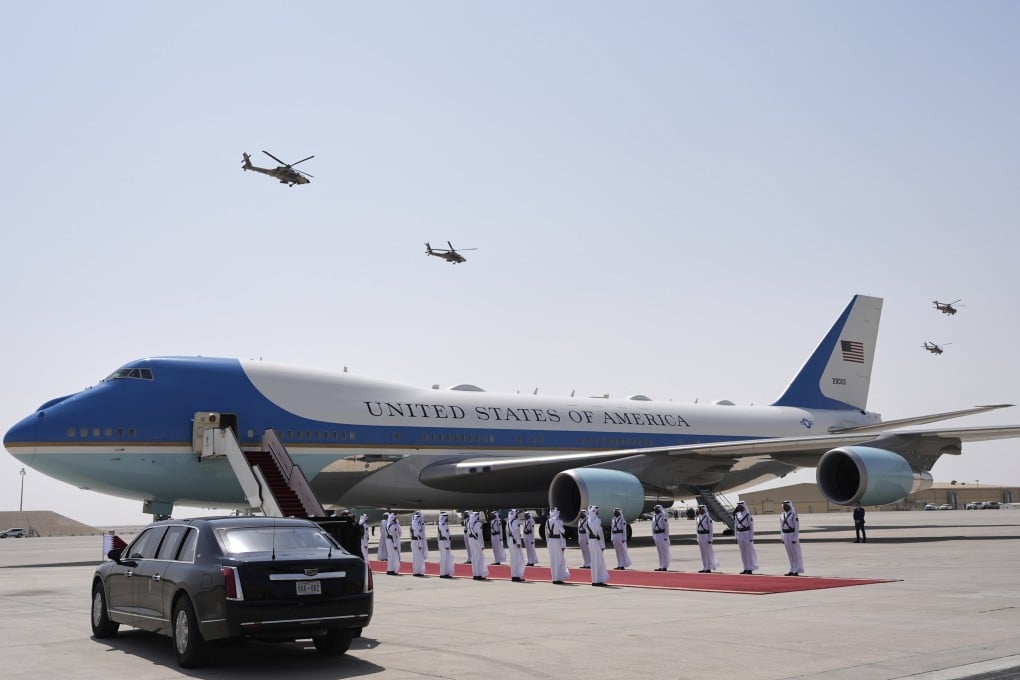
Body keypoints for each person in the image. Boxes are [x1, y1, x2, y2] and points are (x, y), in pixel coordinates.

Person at [586, 505, 610, 586]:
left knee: (593, 561)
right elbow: (600, 534)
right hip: (596, 542)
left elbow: (587, 534)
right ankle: (598, 580)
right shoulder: (597, 520)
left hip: (590, 542)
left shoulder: (587, 521)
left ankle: (594, 580)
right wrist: (603, 545)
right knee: (599, 561)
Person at [733, 501, 759, 574]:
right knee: (743, 552)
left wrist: (751, 537)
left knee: (748, 552)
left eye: (739, 506)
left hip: (746, 534)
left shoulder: (748, 515)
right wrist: (736, 536)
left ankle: (750, 568)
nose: (738, 507)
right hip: (740, 534)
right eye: (738, 506)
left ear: (743, 506)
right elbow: (735, 526)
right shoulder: (737, 515)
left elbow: (751, 527)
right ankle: (745, 568)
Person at [780, 500, 804, 575]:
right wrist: (782, 537)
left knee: (795, 553)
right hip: (785, 535)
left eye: (786, 506)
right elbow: (781, 527)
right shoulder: (782, 515)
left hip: (792, 534)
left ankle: (796, 570)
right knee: (789, 553)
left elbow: (796, 527)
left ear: (790, 506)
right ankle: (792, 569)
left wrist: (795, 537)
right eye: (784, 506)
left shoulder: (794, 514)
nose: (784, 507)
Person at [546, 507, 570, 583]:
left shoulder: (548, 522)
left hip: (550, 541)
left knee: (553, 560)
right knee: (559, 560)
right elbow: (562, 532)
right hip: (557, 542)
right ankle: (557, 578)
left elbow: (546, 534)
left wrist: (548, 543)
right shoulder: (559, 522)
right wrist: (563, 545)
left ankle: (554, 577)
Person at [695, 505, 719, 573]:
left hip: (706, 536)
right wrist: (697, 537)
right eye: (699, 509)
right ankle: (705, 566)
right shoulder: (698, 518)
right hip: (700, 536)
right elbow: (696, 528)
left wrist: (710, 539)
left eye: (700, 509)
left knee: (707, 552)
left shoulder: (708, 518)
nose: (699, 510)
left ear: (704, 509)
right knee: (702, 553)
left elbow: (711, 529)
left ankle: (709, 567)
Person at [466, 511, 489, 580]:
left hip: (471, 541)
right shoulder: (478, 523)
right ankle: (479, 574)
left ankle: (475, 574)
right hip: (476, 541)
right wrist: (482, 545)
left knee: (474, 558)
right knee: (479, 558)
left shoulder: (469, 523)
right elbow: (480, 535)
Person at [506, 508, 527, 582]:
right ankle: (516, 576)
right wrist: (518, 542)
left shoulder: (508, 522)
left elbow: (507, 533)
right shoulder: (515, 522)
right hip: (515, 542)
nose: (518, 514)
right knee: (517, 559)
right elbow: (517, 533)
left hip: (510, 541)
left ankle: (514, 575)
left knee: (513, 559)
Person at [651, 504, 671, 571]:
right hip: (657, 535)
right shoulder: (654, 517)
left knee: (664, 551)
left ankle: (665, 566)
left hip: (662, 535)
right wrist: (653, 535)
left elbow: (666, 527)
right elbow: (653, 527)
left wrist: (666, 536)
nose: (655, 510)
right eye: (654, 509)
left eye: (656, 509)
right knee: (659, 551)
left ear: (659, 509)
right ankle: (661, 565)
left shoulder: (663, 517)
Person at [410, 510, 429, 577]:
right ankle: (418, 571)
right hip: (417, 542)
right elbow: (418, 535)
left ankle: (417, 571)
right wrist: (420, 544)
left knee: (417, 557)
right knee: (418, 557)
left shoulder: (414, 524)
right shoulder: (416, 525)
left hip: (416, 542)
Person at [437, 511, 455, 578]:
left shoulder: (441, 525)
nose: (447, 519)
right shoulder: (443, 525)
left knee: (444, 558)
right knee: (445, 558)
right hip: (444, 544)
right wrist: (447, 545)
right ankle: (444, 573)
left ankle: (444, 573)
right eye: (446, 518)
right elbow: (445, 536)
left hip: (442, 543)